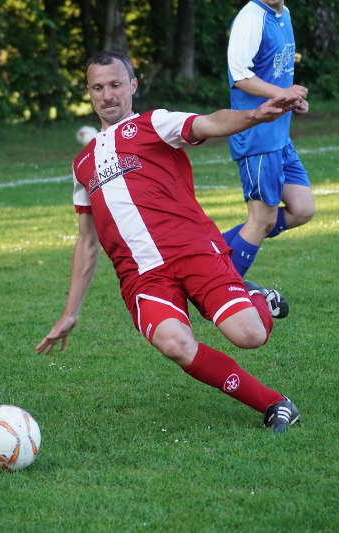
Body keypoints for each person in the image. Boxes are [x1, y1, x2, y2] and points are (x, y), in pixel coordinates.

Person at [36, 51, 301, 434]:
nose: (107, 95)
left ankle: (262, 300)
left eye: (115, 85)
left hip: (192, 251)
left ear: (132, 85)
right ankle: (275, 404)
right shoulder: (82, 165)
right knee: (175, 344)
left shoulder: (154, 124)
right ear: (89, 93)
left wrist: (256, 115)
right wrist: (70, 312)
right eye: (98, 87)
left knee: (250, 336)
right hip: (141, 278)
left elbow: (210, 123)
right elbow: (87, 242)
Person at [223, 0, 314, 276]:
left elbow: (276, 72)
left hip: (279, 136)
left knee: (302, 209)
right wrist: (281, 93)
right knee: (262, 219)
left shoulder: (283, 14)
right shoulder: (251, 18)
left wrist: (292, 101)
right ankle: (224, 289)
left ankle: (211, 253)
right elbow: (240, 77)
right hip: (256, 136)